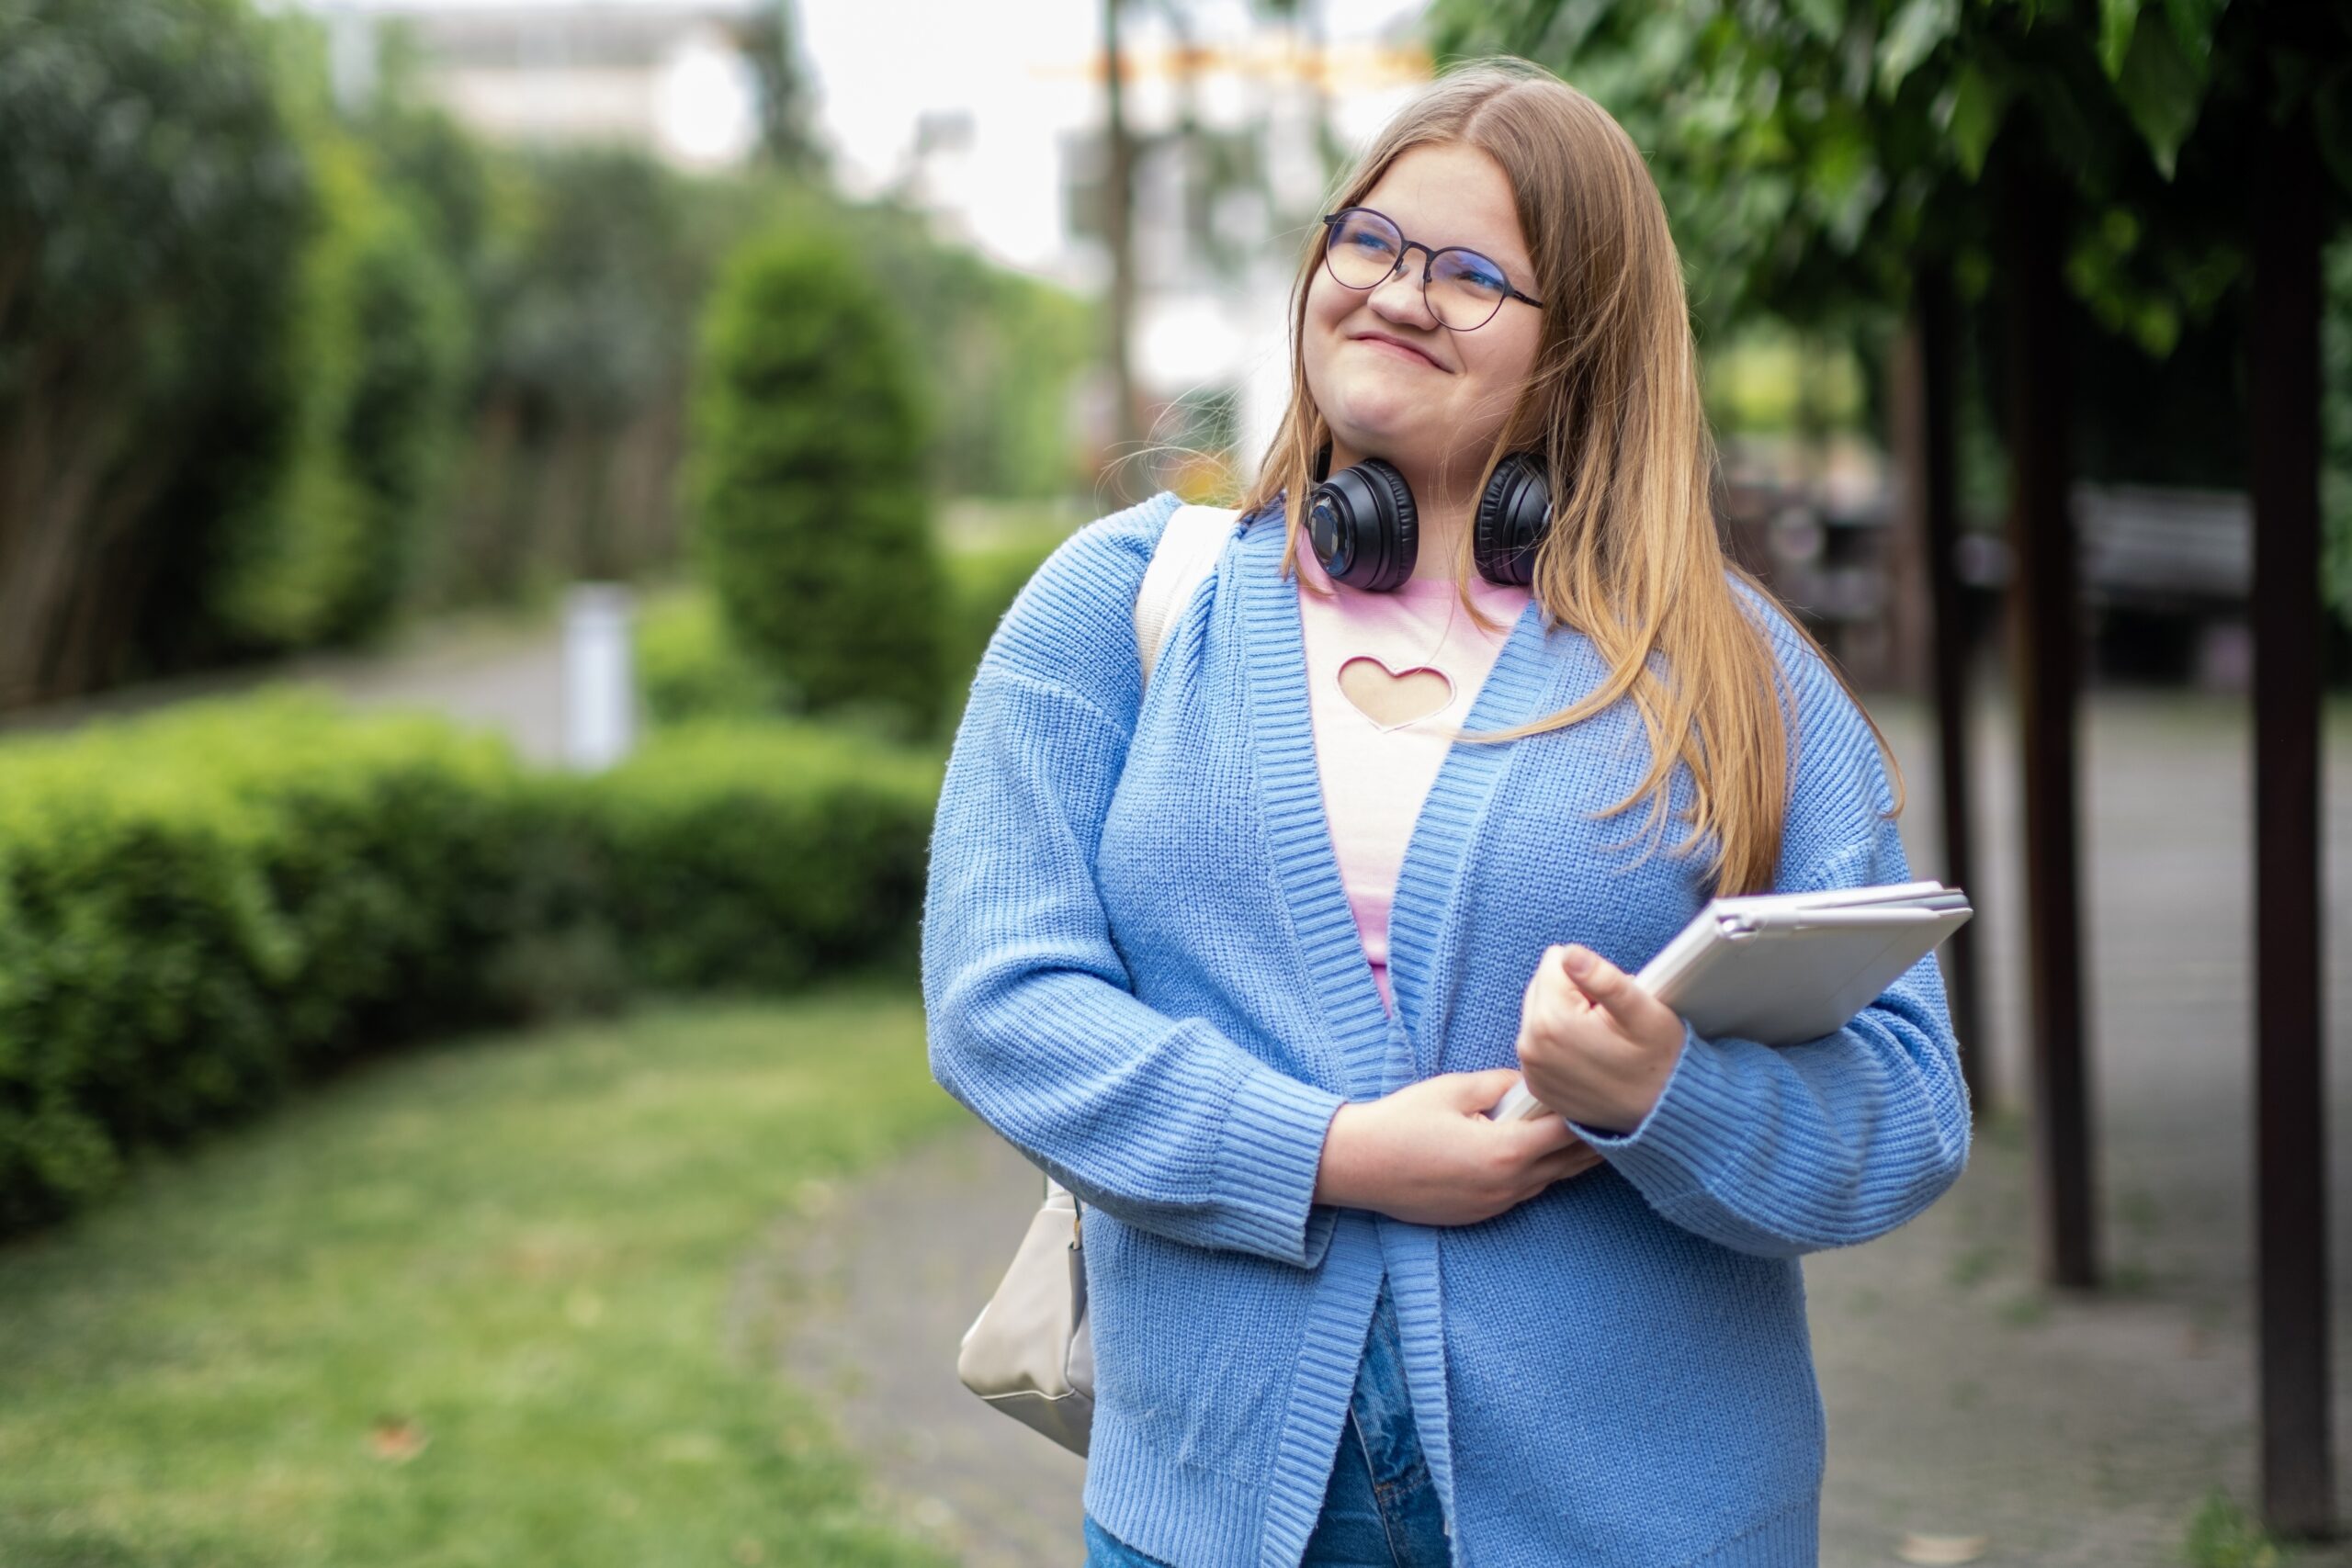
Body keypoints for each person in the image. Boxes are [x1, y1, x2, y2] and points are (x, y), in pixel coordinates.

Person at [922, 56, 1970, 1568]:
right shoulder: (1126, 605)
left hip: (1644, 1529)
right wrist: (1329, 1149)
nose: (1398, 293)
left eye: (1474, 275)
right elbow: (1001, 1006)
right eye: (1369, 241)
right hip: (1214, 1516)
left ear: (1583, 346)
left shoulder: (1731, 670)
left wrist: (1666, 1092)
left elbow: (1909, 1108)